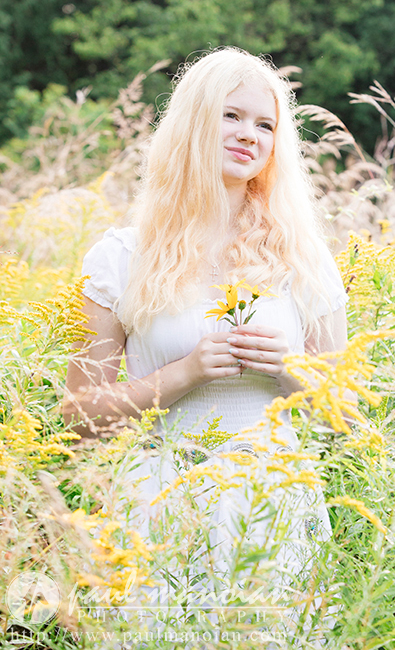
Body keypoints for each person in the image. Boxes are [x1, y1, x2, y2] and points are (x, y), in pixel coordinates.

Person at [63, 47, 348, 632]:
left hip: (271, 503)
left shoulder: (304, 260)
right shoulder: (120, 257)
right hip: (158, 504)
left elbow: (342, 414)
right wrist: (184, 372)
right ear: (194, 121)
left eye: (265, 124)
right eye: (231, 116)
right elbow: (79, 416)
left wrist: (290, 369)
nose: (250, 135)